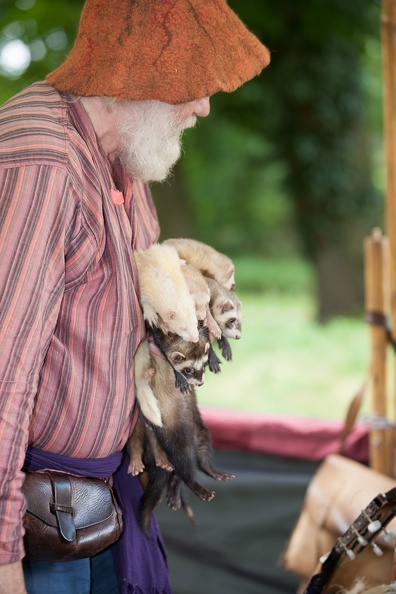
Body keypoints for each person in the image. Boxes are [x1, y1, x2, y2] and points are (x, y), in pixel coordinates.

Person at [0, 1, 270, 593]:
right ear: (140, 73)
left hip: (99, 507)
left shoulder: (124, 158)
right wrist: (2, 562)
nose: (203, 106)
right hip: (37, 528)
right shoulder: (44, 157)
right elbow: (5, 367)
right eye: (193, 86)